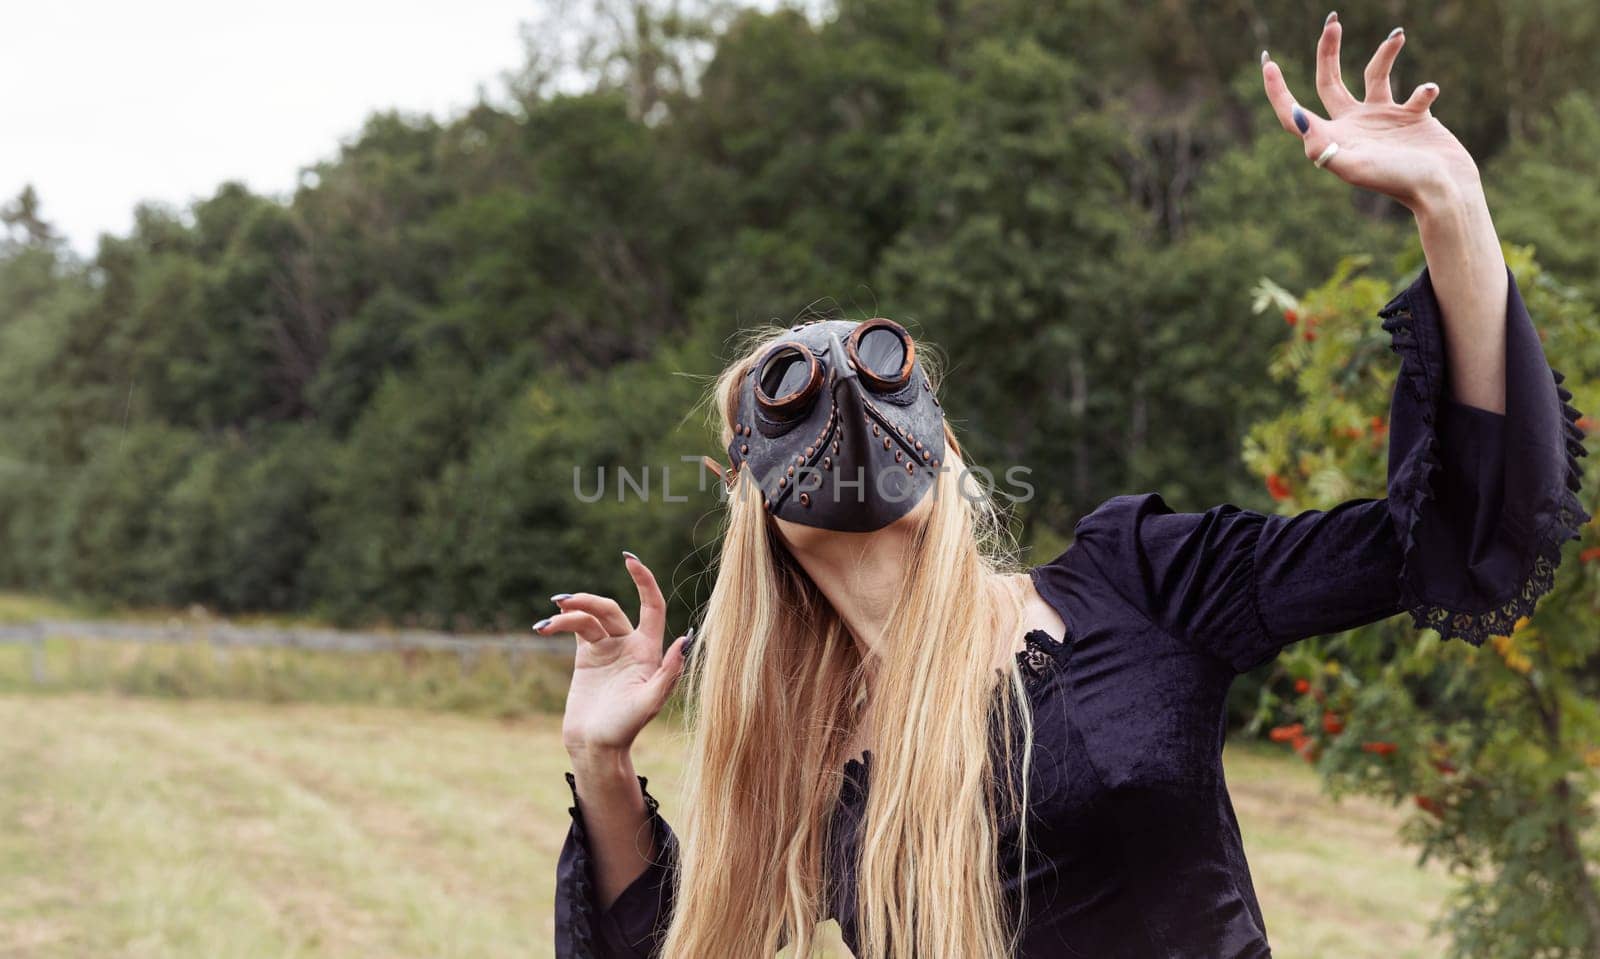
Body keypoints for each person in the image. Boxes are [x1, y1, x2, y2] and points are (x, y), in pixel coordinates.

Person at [545, 15, 1592, 958]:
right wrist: (599, 759)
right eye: (787, 404)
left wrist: (1451, 208)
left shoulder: (1136, 583)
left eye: (875, 379)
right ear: (752, 502)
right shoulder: (804, 753)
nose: (842, 409)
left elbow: (1453, 530)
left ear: (945, 448)